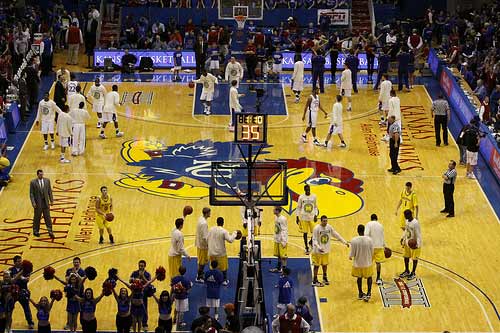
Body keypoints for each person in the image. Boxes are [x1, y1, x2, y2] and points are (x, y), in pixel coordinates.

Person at [311, 215, 349, 287]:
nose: (325, 222)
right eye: (324, 221)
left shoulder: (329, 227)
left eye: (326, 221)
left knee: (325, 265)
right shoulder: (316, 228)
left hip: (326, 250)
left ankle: (324, 277)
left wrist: (344, 242)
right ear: (321, 221)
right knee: (316, 266)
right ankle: (314, 280)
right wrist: (319, 247)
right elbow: (314, 240)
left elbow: (336, 235)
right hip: (317, 251)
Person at [207, 217, 238, 286]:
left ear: (216, 222)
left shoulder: (211, 229)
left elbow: (207, 238)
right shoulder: (224, 231)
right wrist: (234, 233)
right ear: (223, 222)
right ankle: (224, 280)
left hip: (211, 252)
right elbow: (230, 240)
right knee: (224, 267)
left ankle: (212, 279)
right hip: (220, 253)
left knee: (213, 266)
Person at [349, 224, 374, 302]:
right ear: (364, 230)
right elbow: (372, 251)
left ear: (357, 230)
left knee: (359, 278)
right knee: (369, 277)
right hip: (367, 263)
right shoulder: (369, 240)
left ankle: (360, 293)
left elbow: (352, 253)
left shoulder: (354, 240)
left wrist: (350, 256)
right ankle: (369, 293)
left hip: (358, 263)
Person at [9, 256, 34, 329]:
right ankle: (7, 322)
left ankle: (30, 322)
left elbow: (27, 280)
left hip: (23, 291)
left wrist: (21, 277)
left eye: (21, 261)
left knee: (26, 307)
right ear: (14, 262)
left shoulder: (26, 270)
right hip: (13, 292)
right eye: (18, 261)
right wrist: (20, 276)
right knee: (9, 308)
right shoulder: (10, 270)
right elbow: (11, 281)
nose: (20, 262)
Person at [30, 170, 55, 238]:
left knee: (48, 218)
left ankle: (50, 231)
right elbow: (31, 194)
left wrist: (51, 200)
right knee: (37, 218)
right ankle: (36, 231)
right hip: (38, 204)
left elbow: (49, 191)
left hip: (46, 203)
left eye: (42, 174)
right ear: (37, 175)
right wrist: (33, 203)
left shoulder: (47, 181)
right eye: (40, 174)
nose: (41, 175)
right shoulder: (33, 182)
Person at [129, 260, 152, 330]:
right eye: (139, 265)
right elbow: (130, 280)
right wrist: (139, 276)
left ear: (145, 266)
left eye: (142, 266)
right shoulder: (134, 273)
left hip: (143, 294)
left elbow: (149, 283)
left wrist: (143, 277)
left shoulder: (148, 274)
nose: (140, 267)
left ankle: (144, 324)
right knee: (133, 309)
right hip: (135, 294)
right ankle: (132, 323)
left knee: (144, 308)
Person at [399, 209, 422, 280]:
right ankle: (407, 270)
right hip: (408, 241)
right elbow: (406, 230)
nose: (405, 217)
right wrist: (402, 238)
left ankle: (413, 273)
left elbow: (418, 234)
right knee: (406, 257)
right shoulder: (407, 221)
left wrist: (417, 244)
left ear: (410, 215)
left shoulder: (415, 223)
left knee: (414, 259)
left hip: (414, 243)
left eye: (406, 215)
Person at [296, 184, 317, 254]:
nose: (308, 191)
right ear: (304, 190)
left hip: (311, 217)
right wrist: (297, 217)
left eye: (309, 189)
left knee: (315, 232)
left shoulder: (314, 196)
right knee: (305, 233)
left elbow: (315, 207)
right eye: (307, 189)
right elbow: (298, 207)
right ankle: (306, 247)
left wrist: (316, 215)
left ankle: (311, 241)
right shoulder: (301, 197)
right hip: (303, 217)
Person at [364, 214, 385, 285]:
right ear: (377, 218)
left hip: (371, 247)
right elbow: (382, 236)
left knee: (369, 262)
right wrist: (384, 246)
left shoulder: (368, 224)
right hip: (379, 246)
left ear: (371, 218)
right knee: (378, 263)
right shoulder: (381, 225)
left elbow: (366, 234)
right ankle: (378, 278)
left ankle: (368, 275)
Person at [270, 207, 288, 273]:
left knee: (283, 256)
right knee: (279, 256)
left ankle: (284, 270)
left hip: (282, 240)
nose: (273, 210)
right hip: (277, 239)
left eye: (274, 209)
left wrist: (284, 241)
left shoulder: (283, 219)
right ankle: (278, 268)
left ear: (277, 211)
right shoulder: (276, 218)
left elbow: (284, 230)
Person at [196, 207, 211, 283]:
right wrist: (209, 244)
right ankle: (199, 277)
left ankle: (200, 273)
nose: (210, 214)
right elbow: (205, 237)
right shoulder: (204, 223)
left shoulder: (200, 219)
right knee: (202, 262)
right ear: (206, 213)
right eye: (209, 212)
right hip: (203, 246)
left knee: (201, 261)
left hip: (199, 243)